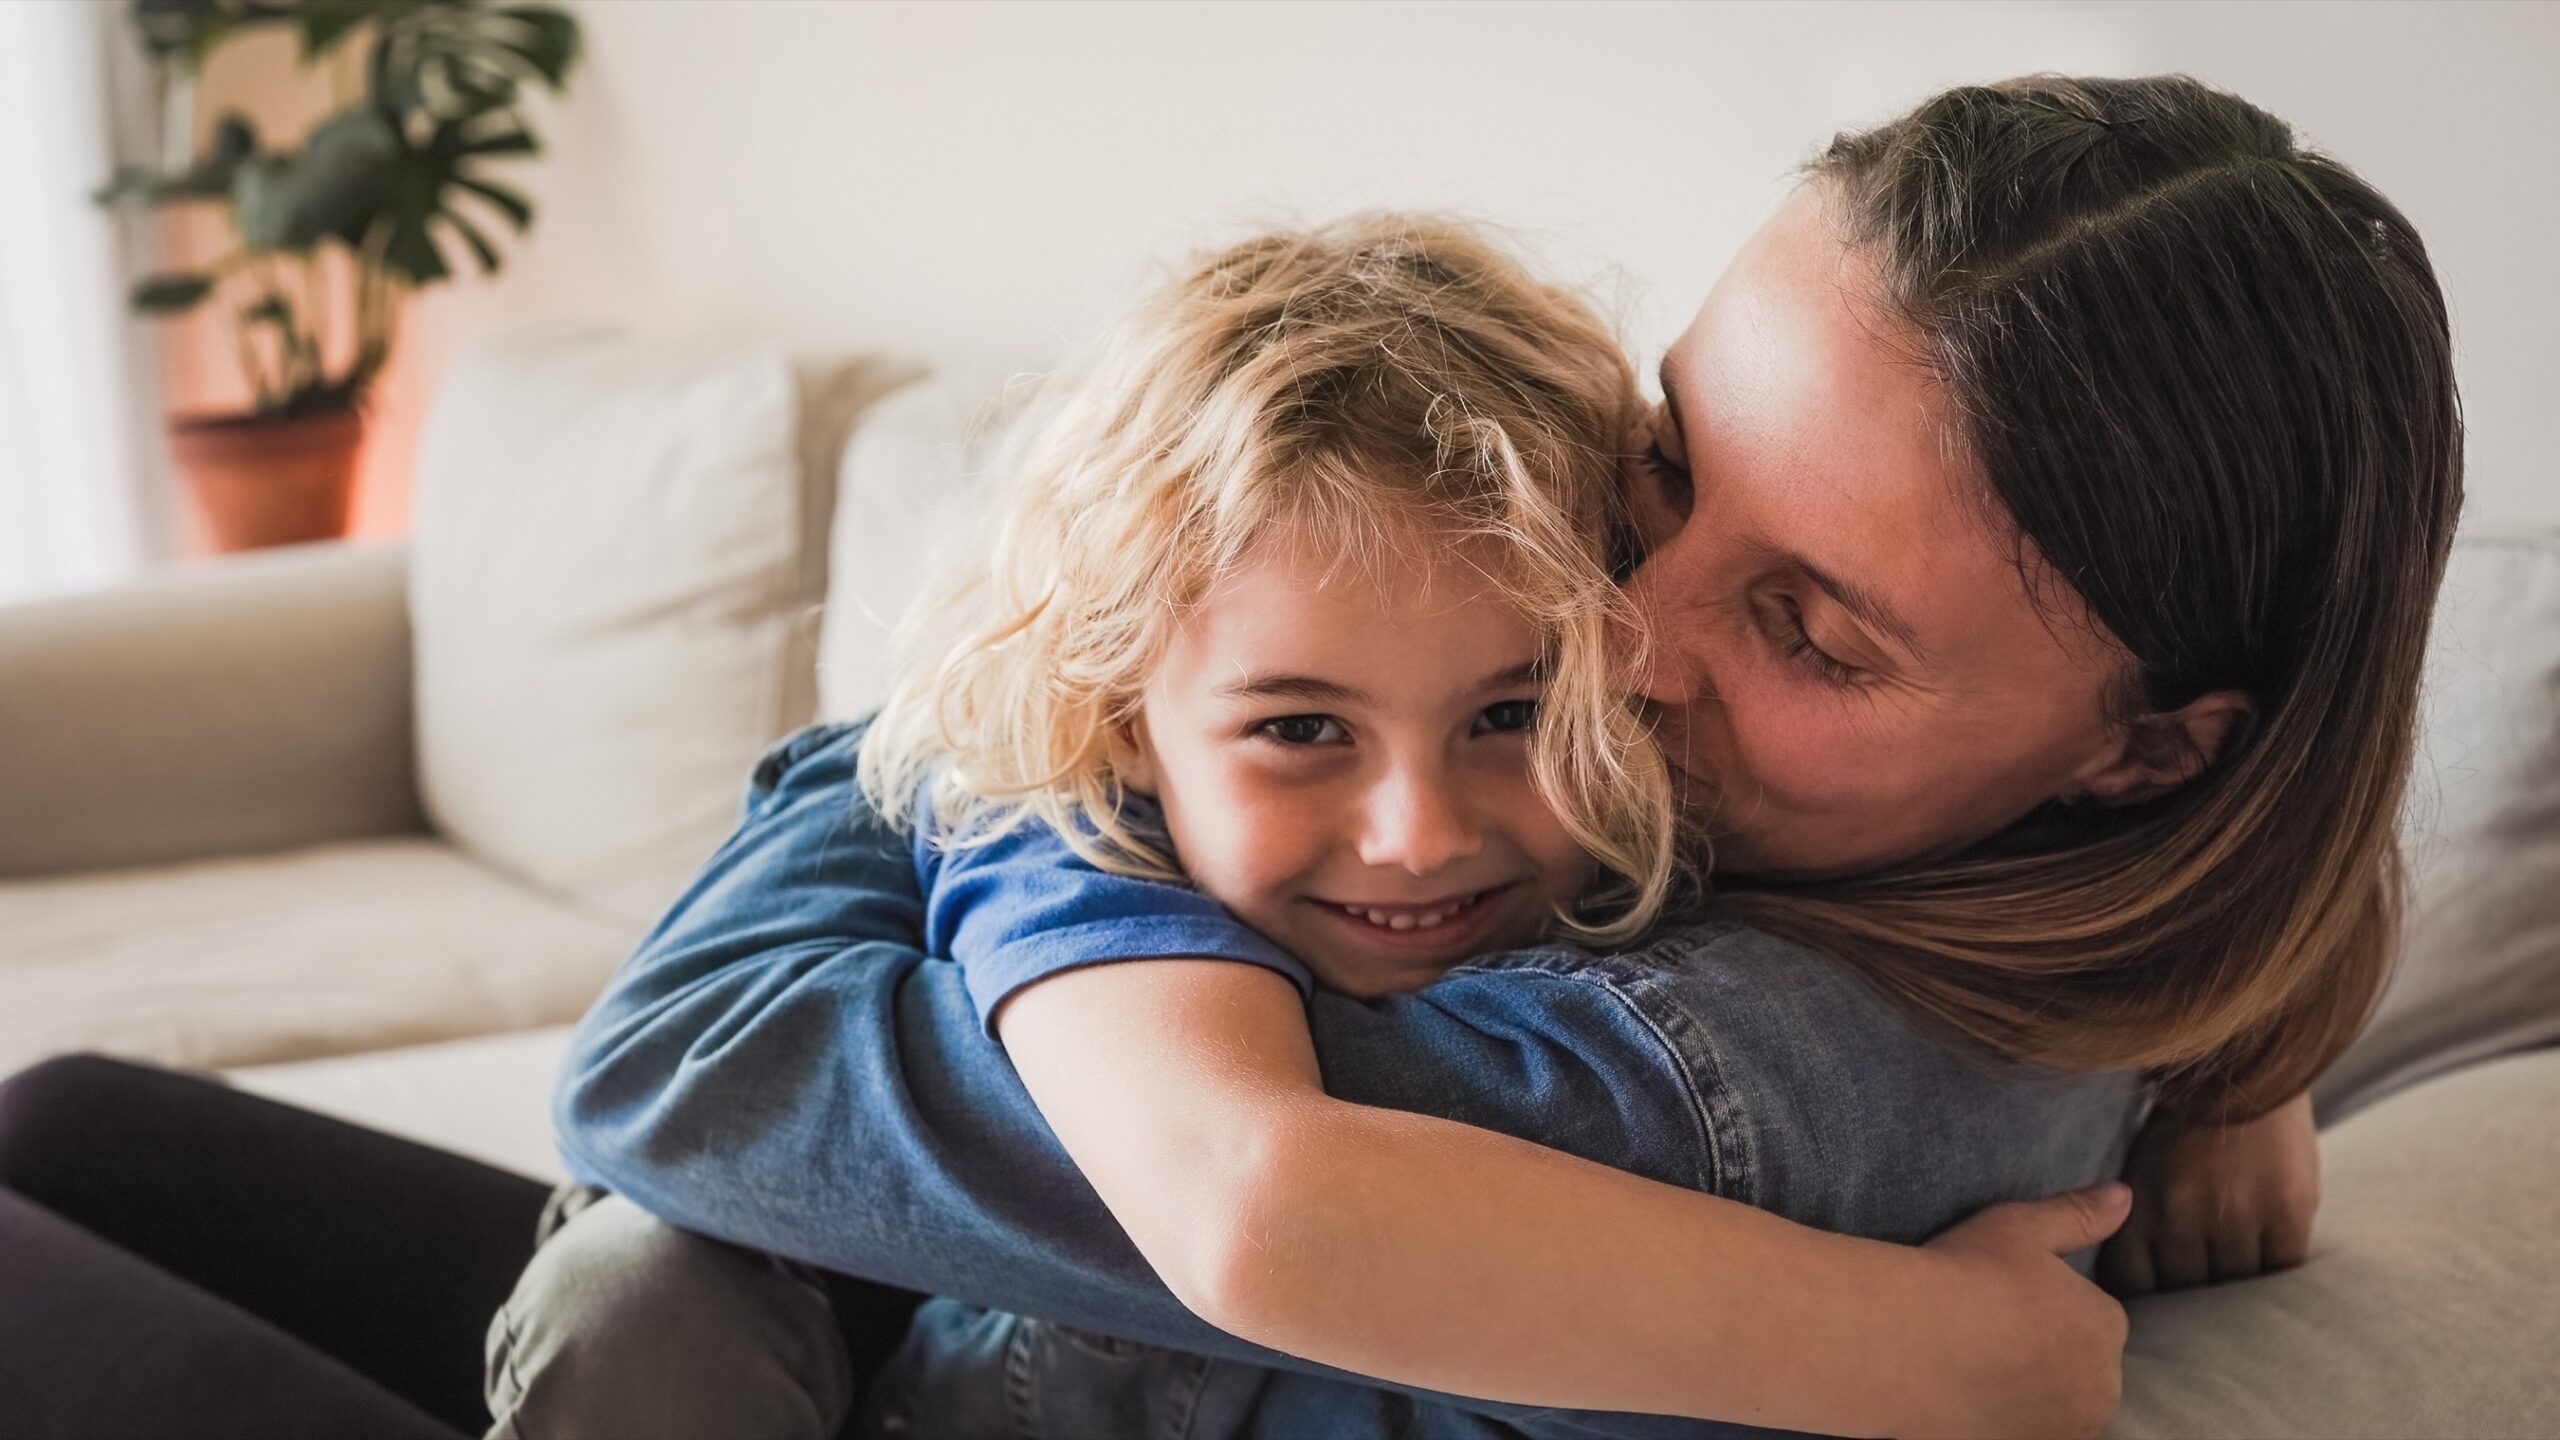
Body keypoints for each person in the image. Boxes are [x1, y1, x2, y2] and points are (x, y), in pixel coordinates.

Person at [0, 72, 2460, 1440]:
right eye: (1666, 469)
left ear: (2151, 754)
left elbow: (697, 1068)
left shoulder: (1707, 1075)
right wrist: (2248, 1040)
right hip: (913, 1335)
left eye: (1803, 623)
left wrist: (1057, 738)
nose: (1618, 633)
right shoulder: (1983, 875)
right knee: (71, 1116)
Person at [484, 211, 2146, 1440]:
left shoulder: (1697, 1002)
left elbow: (691, 1064)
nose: (1418, 834)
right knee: (629, 1288)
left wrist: (2246, 1062)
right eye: (1300, 729)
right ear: (1121, 715)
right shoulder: (1105, 840)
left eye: (1513, 713)